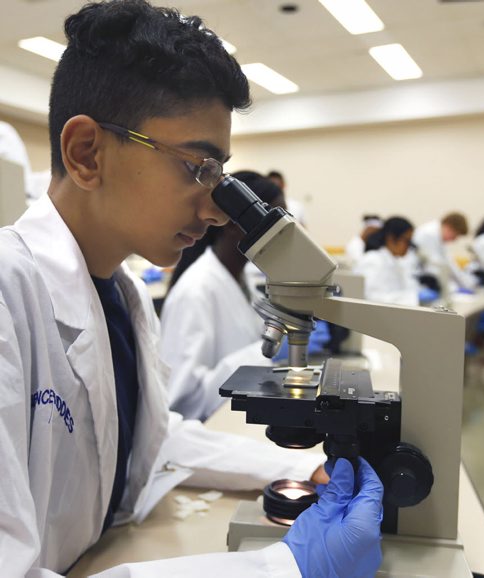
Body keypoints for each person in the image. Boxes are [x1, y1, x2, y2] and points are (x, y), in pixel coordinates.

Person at [0, 1, 383, 577]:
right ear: (86, 154)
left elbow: (154, 446)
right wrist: (285, 570)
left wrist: (299, 470)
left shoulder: (123, 296)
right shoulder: (8, 294)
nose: (214, 208)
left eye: (219, 175)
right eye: (196, 167)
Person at [159, 171, 284, 421]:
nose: (284, 235)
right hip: (205, 434)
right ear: (231, 224)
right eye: (275, 223)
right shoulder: (196, 292)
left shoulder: (241, 277)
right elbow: (183, 401)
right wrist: (264, 354)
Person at [354, 216, 430, 306]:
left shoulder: (394, 261)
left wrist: (417, 293)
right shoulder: (373, 260)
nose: (409, 246)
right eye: (407, 241)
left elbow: (403, 288)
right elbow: (371, 298)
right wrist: (415, 297)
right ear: (391, 238)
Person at [412, 212, 476, 291]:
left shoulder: (439, 236)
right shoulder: (428, 234)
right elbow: (433, 268)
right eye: (455, 235)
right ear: (449, 227)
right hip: (420, 282)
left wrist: (469, 284)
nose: (454, 240)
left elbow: (450, 264)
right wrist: (454, 288)